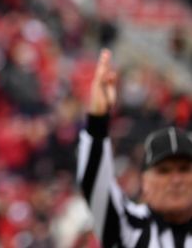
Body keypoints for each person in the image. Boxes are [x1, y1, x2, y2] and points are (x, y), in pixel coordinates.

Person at [77, 49, 192, 247]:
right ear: (144, 182)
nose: (176, 180)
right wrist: (97, 120)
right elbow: (94, 186)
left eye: (184, 169)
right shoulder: (129, 225)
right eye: (164, 171)